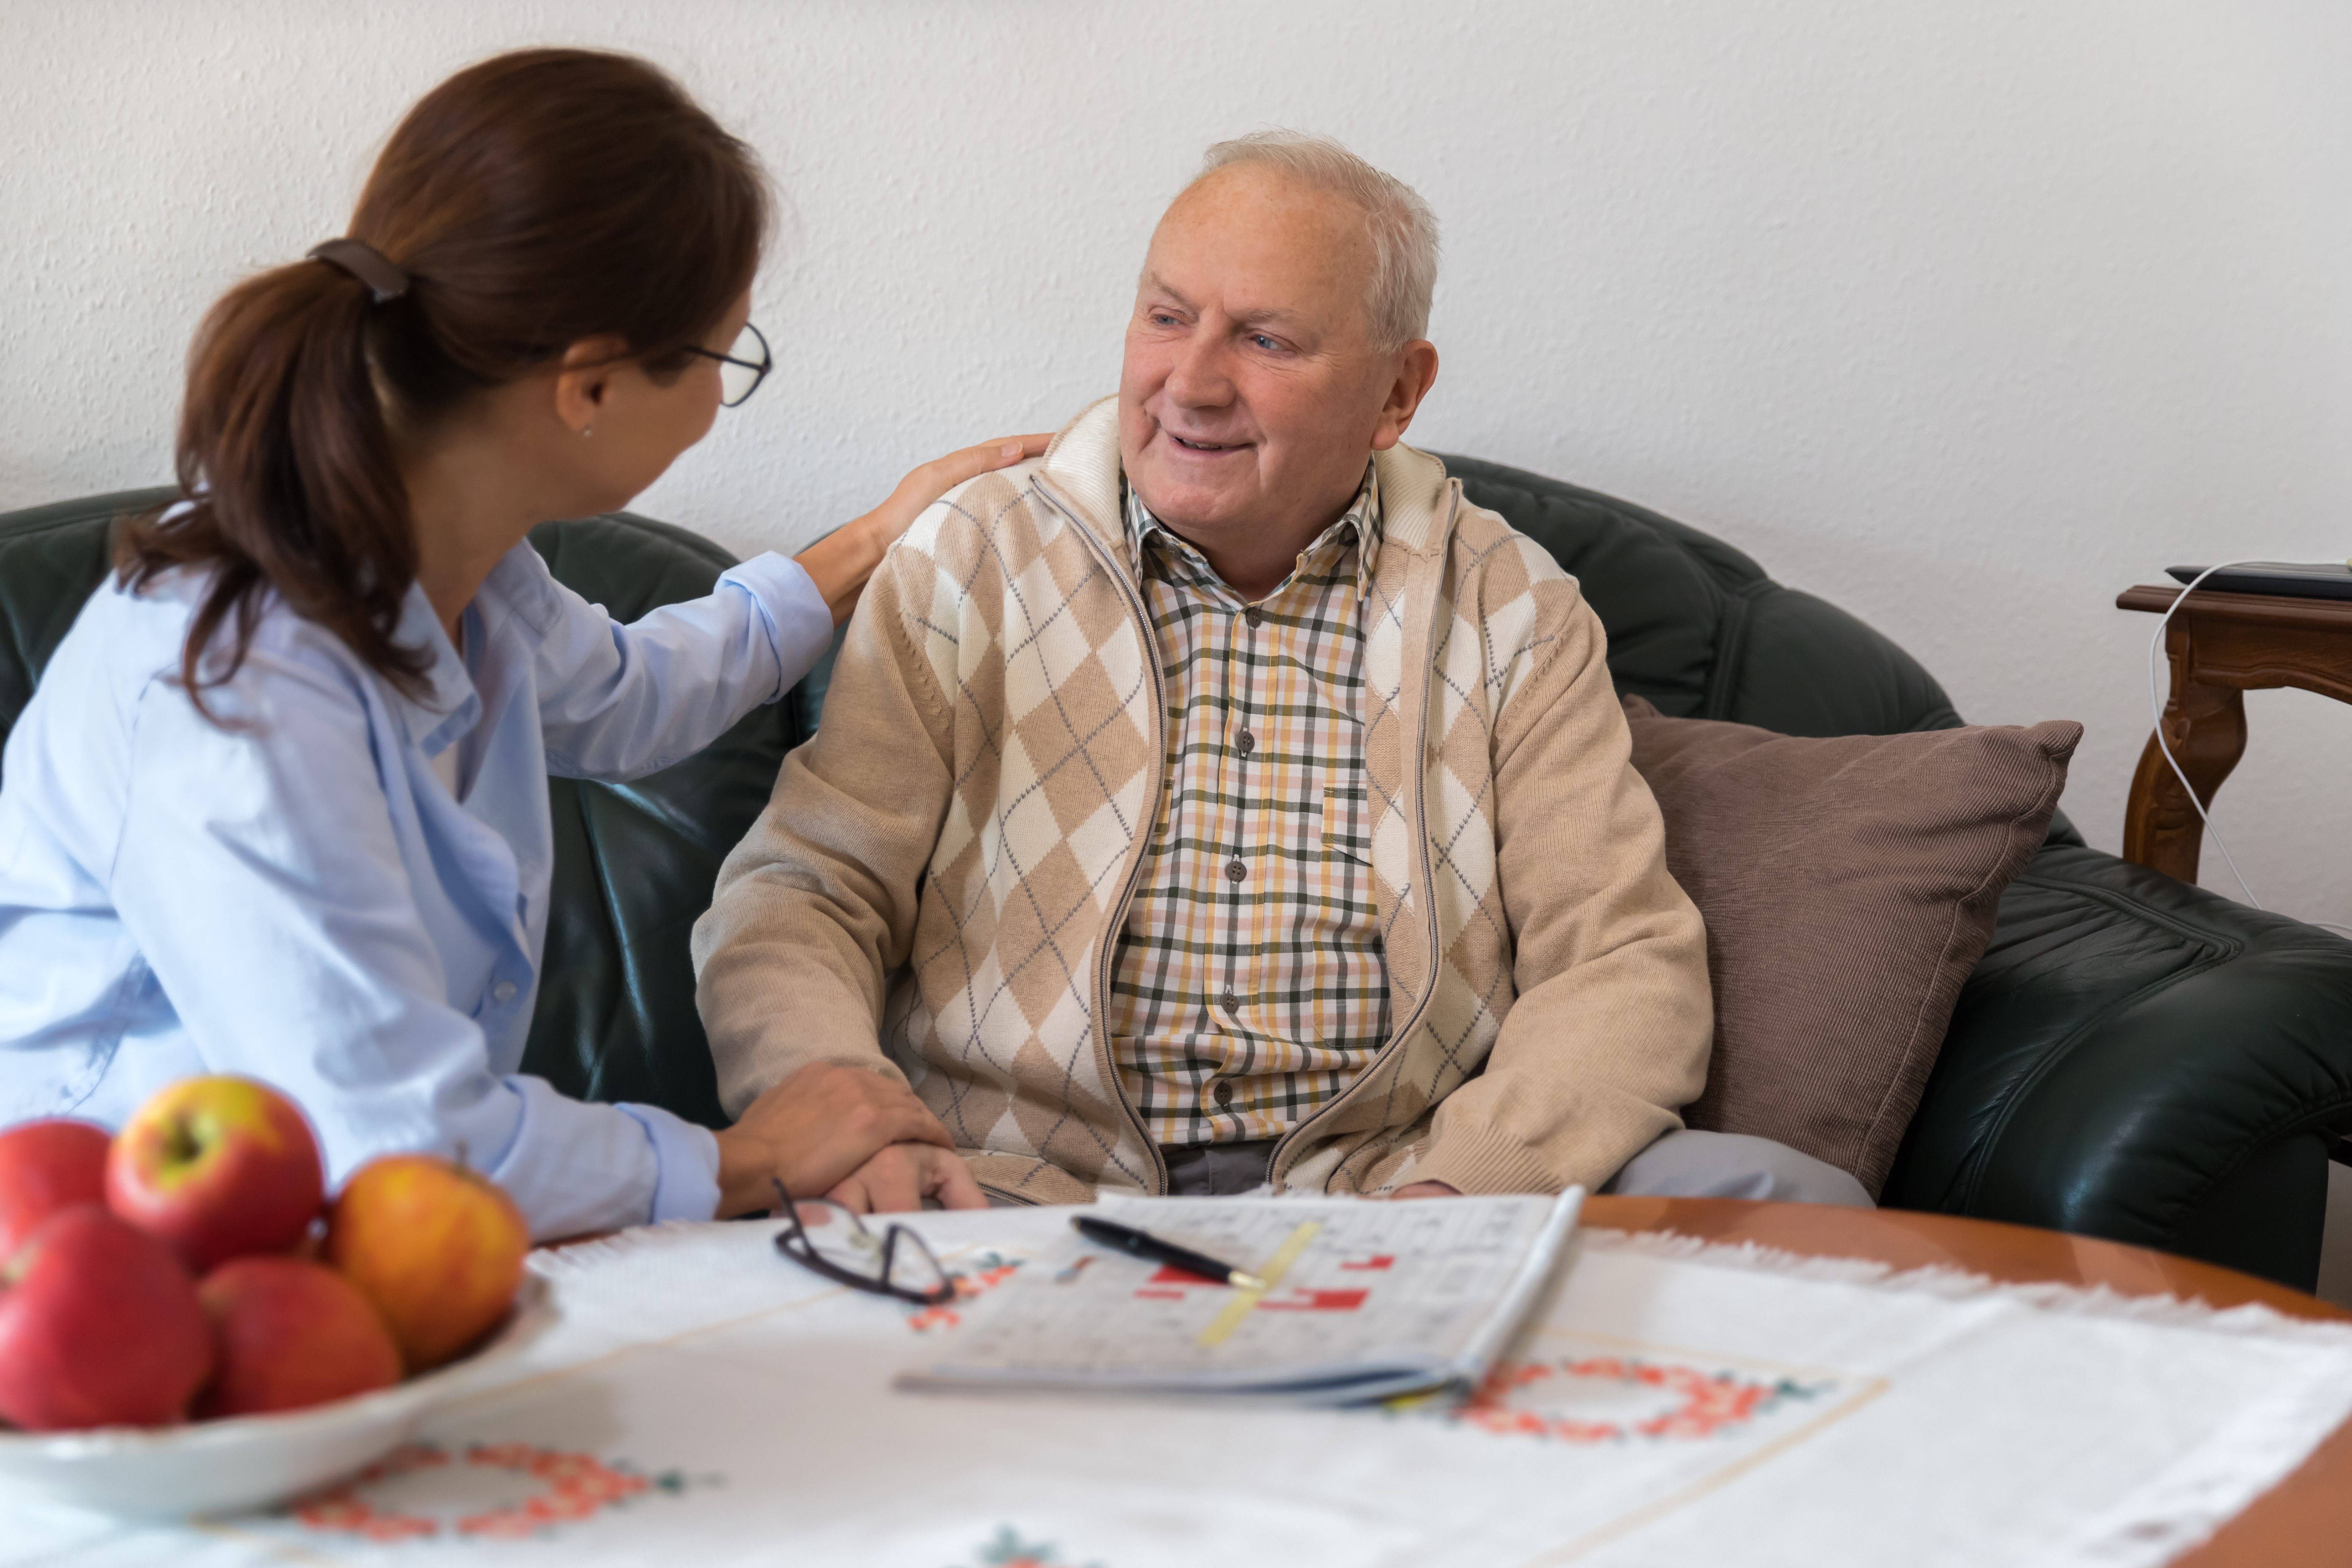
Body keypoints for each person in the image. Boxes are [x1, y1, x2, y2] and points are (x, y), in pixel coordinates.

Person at [693, 131, 1871, 1214]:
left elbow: (1618, 960)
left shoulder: (1511, 606)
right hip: (1012, 1195)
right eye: (1166, 318)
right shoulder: (975, 557)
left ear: (1395, 395)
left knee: (1780, 1196)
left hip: (1394, 1192)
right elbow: (807, 893)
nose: (1190, 384)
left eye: (1263, 341)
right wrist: (849, 1119)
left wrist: (1459, 1195)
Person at [0, 48, 1038, 1239]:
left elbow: (630, 697)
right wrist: (746, 1156)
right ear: (588, 387)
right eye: (722, 358)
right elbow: (395, 1142)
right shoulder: (235, 691)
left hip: (322, 1245)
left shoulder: (458, 554)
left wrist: (877, 537)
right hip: (104, 1268)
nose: (715, 400)